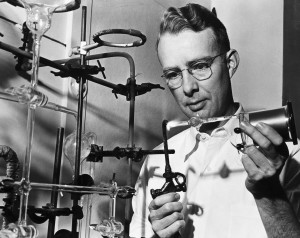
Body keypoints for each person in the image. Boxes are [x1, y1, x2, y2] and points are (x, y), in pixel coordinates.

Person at [129, 3, 300, 238]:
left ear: (230, 64)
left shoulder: (290, 155)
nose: (188, 87)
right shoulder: (156, 163)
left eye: (200, 66)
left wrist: (268, 194)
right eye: (173, 74)